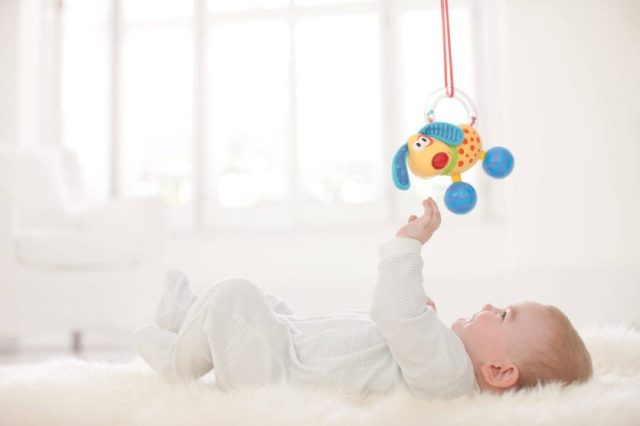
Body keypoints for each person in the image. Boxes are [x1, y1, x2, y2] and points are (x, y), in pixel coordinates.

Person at [134, 198, 592, 398]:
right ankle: (187, 319)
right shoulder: (444, 363)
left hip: (276, 377)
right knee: (270, 308)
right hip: (290, 349)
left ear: (499, 371)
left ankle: (179, 361)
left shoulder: (452, 374)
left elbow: (392, 313)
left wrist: (408, 246)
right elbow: (401, 328)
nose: (491, 305)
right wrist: (421, 319)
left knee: (235, 296)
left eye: (505, 315)